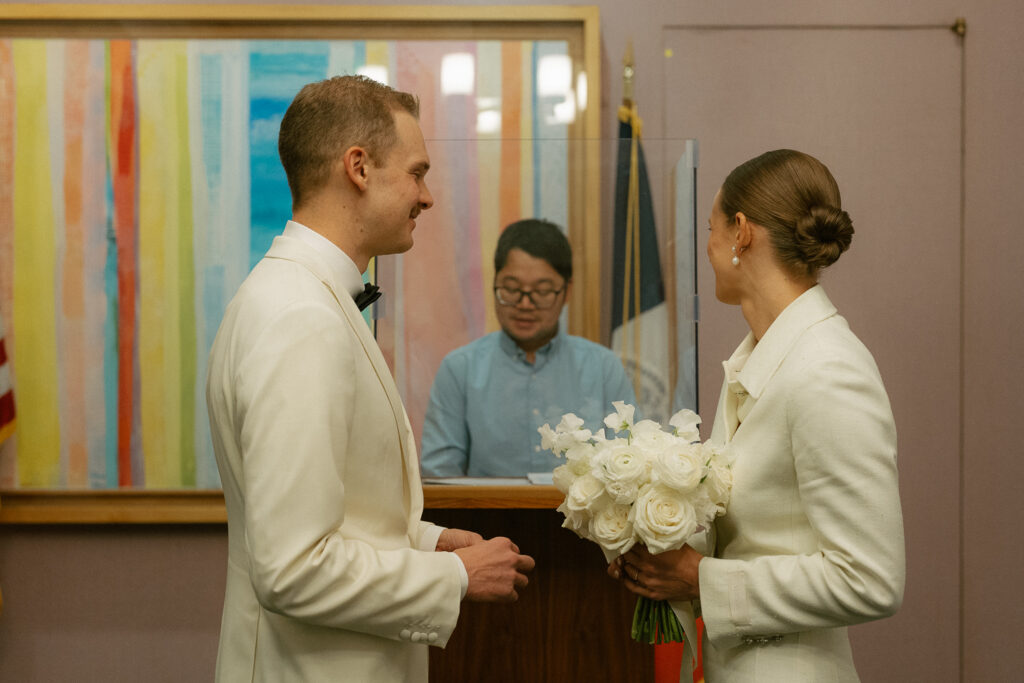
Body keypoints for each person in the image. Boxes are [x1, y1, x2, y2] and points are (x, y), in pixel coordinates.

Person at [206, 76, 534, 683]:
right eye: (417, 172)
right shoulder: (300, 317)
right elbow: (294, 568)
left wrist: (424, 539)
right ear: (358, 167)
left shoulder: (300, 296)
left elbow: (336, 516)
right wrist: (456, 577)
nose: (427, 196)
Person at [609, 149, 905, 682]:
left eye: (710, 229)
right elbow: (755, 530)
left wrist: (701, 579)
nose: (707, 246)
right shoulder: (763, 355)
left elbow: (870, 579)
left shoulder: (828, 369)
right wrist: (657, 548)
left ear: (741, 232)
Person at [420, 219, 637, 477]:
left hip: (585, 517)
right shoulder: (460, 368)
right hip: (485, 516)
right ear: (495, 285)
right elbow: (439, 476)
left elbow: (629, 462)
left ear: (566, 291)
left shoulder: (602, 367)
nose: (525, 304)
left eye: (542, 291)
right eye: (511, 289)